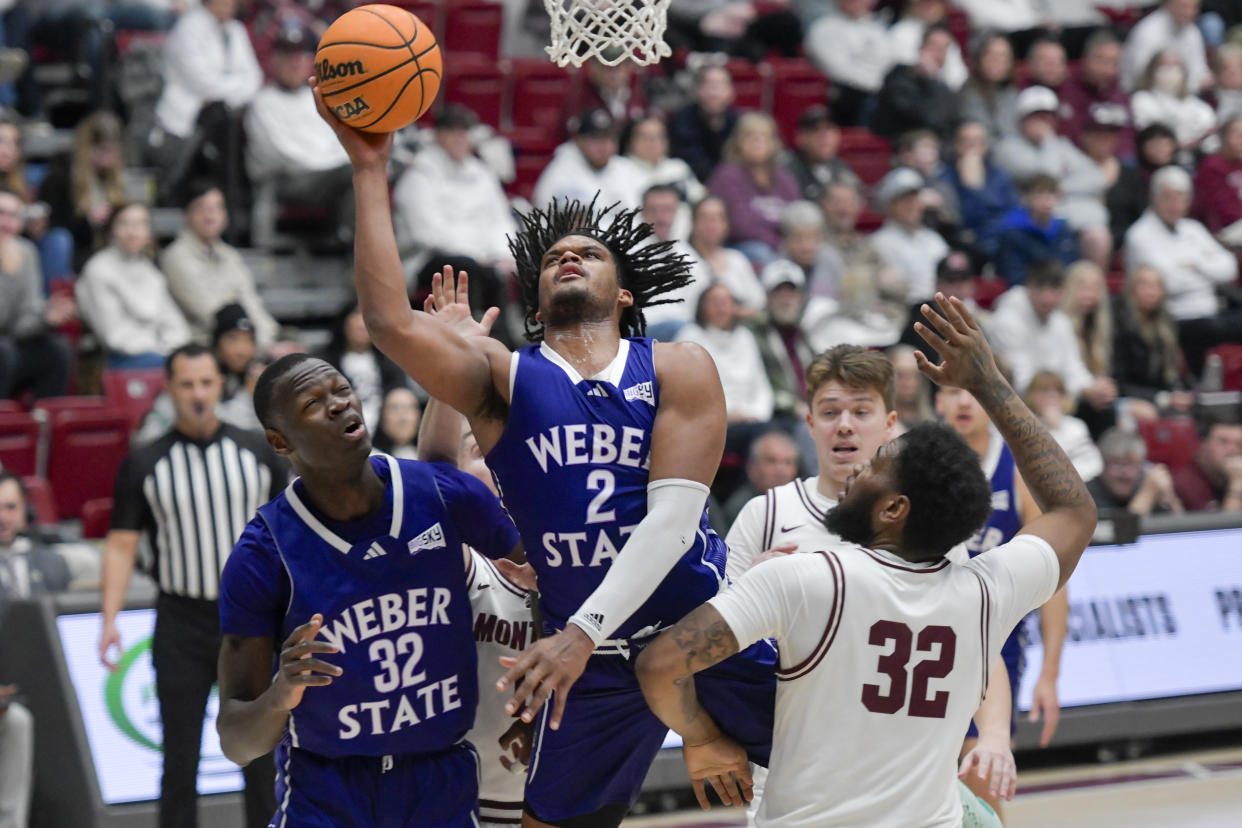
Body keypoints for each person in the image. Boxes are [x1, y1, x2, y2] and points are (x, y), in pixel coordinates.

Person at [316, 84, 778, 826]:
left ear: (624, 293)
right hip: (589, 658)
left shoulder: (678, 366)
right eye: (555, 256)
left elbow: (670, 523)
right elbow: (388, 324)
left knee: (843, 773)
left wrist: (581, 633)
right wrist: (370, 172)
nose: (569, 257)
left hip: (701, 625)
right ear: (535, 295)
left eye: (589, 253)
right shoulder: (505, 376)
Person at [634, 293, 1097, 827]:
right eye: (832, 413)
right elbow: (1074, 510)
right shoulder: (985, 590)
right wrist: (989, 384)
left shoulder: (804, 579)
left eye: (876, 462)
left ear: (895, 508)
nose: (858, 467)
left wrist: (702, 739)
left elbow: (660, 664)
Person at [214, 352, 522, 827]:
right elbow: (236, 742)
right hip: (327, 790)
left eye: (341, 389)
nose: (338, 405)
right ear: (280, 441)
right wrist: (281, 694)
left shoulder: (441, 494)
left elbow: (548, 568)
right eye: (313, 403)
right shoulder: (264, 552)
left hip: (439, 779)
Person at [97, 344, 284, 828]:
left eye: (205, 382)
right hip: (181, 622)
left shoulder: (256, 450)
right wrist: (110, 620)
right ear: (169, 389)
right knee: (179, 758)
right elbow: (120, 545)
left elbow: (290, 534)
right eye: (187, 384)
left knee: (260, 758)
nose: (198, 394)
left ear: (220, 384)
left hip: (251, 623)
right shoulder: (144, 462)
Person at [933, 369, 1070, 821]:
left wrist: (1049, 674)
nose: (964, 402)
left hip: (995, 648)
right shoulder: (919, 466)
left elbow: (1052, 581)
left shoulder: (1016, 471)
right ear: (939, 402)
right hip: (926, 640)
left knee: (979, 787)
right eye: (954, 391)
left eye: (973, 391)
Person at [393, 104, 516, 338]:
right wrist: (479, 255)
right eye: (453, 132)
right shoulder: (419, 174)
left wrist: (501, 254)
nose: (460, 138)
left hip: (480, 258)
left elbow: (500, 220)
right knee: (466, 268)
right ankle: (468, 341)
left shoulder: (482, 173)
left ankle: (502, 345)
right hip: (425, 260)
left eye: (464, 132)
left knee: (497, 275)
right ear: (438, 134)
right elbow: (428, 233)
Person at [1123, 165, 1242, 376]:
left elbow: (1230, 268)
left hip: (1212, 310)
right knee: (1209, 330)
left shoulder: (1193, 229)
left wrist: (1196, 265)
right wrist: (1207, 273)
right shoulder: (1139, 234)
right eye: (1168, 197)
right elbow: (1168, 283)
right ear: (1155, 197)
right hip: (1172, 315)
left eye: (1182, 198)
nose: (1175, 204)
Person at [0, 473, 70, 828]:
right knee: (16, 720)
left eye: (10, 507)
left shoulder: (52, 563)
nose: (3, 517)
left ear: (26, 511)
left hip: (47, 685)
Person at [244, 21, 352, 248]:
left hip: (325, 176)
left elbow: (338, 143)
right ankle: (350, 244)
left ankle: (348, 242)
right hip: (288, 180)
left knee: (369, 169)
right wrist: (334, 166)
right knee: (355, 170)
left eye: (301, 55)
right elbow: (281, 155)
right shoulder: (262, 102)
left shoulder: (319, 97)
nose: (295, 63)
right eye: (287, 55)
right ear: (273, 60)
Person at [150, 0, 261, 201]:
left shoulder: (236, 30)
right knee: (220, 116)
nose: (227, 5)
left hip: (228, 111)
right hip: (187, 118)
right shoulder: (189, 26)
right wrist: (236, 86)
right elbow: (201, 81)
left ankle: (236, 199)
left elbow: (254, 77)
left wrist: (231, 92)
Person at [988, 260, 1118, 428]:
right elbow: (1020, 381)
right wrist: (1063, 394)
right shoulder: (1007, 321)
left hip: (1056, 397)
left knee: (1105, 409)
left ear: (1063, 291)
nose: (1047, 297)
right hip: (1015, 404)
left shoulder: (1061, 321)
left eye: (1054, 289)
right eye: (1040, 288)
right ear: (1028, 287)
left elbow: (1074, 367)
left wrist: (1091, 388)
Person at [161, 181, 280, 352]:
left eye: (217, 207)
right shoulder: (175, 256)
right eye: (201, 208)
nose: (210, 215)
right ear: (186, 215)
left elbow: (250, 301)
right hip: (203, 349)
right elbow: (210, 314)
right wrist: (264, 346)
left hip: (245, 341)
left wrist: (271, 337)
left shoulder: (230, 254)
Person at [75, 203, 193, 369]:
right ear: (111, 230)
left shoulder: (150, 271)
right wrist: (161, 351)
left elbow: (173, 322)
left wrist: (174, 348)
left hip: (161, 353)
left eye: (140, 224)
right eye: (124, 223)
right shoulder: (98, 269)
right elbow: (114, 336)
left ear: (149, 233)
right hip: (121, 359)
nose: (133, 231)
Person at [134, 303, 265, 445]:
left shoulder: (254, 376)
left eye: (249, 340)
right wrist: (246, 396)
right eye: (233, 339)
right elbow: (217, 431)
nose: (241, 349)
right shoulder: (195, 372)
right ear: (217, 342)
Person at [993, 87, 1111, 236]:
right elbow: (1046, 178)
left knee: (1098, 228)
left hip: (1064, 208)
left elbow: (1097, 177)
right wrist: (1047, 140)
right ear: (1022, 119)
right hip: (1028, 218)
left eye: (1049, 116)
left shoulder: (1060, 144)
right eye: (1037, 116)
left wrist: (1064, 187)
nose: (1044, 122)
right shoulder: (1008, 148)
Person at [0, 186, 73, 400]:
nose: (7, 223)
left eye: (13, 215)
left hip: (9, 345)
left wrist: (45, 318)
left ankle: (43, 425)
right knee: (4, 354)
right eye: (1, 214)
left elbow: (22, 323)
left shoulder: (26, 252)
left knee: (59, 351)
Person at [706, 112, 800, 266]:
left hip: (784, 246)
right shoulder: (727, 175)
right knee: (763, 253)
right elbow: (741, 227)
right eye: (750, 136)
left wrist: (797, 243)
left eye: (764, 137)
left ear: (773, 143)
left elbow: (799, 215)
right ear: (738, 142)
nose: (757, 142)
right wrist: (781, 245)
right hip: (741, 248)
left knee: (823, 255)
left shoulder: (784, 178)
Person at [37, 110, 126, 269]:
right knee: (60, 239)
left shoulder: (113, 180)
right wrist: (87, 220)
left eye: (114, 150)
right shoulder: (61, 174)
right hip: (75, 248)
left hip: (102, 251)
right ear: (87, 147)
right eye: (104, 150)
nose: (110, 157)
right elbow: (51, 222)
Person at [677, 283, 774, 425]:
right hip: (711, 422)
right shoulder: (690, 337)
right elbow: (688, 390)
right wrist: (729, 414)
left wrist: (757, 414)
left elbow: (761, 385)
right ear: (702, 307)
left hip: (753, 419)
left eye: (726, 302)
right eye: (714, 302)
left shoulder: (745, 336)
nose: (721, 307)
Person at [1111, 266, 1194, 412]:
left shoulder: (1166, 324)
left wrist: (1190, 393)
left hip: (1160, 396)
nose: (1151, 291)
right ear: (1131, 289)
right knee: (1148, 411)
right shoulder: (1118, 323)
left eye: (1156, 286)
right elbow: (1119, 383)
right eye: (1145, 285)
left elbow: (1176, 374)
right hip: (1126, 397)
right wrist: (1162, 398)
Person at [318, 303, 411, 431]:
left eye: (366, 317)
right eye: (356, 315)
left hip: (383, 433)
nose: (361, 323)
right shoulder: (323, 362)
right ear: (344, 322)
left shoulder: (390, 361)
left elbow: (399, 393)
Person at [939, 120, 1020, 265]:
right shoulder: (945, 179)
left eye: (977, 141)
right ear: (956, 145)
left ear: (985, 146)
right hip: (965, 244)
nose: (972, 146)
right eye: (966, 141)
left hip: (1001, 240)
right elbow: (960, 221)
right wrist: (971, 187)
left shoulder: (1000, 176)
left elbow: (1014, 212)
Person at [803, 0, 895, 126]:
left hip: (878, 90)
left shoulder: (878, 30)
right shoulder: (823, 28)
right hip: (843, 95)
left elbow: (888, 61)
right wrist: (876, 84)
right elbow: (837, 70)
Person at [533, 108, 643, 212]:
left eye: (608, 138)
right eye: (595, 139)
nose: (603, 146)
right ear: (579, 141)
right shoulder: (560, 174)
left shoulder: (626, 168)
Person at [870, 166, 950, 304]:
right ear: (890, 205)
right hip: (905, 313)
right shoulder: (878, 242)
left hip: (941, 309)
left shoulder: (934, 239)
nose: (912, 205)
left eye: (915, 199)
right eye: (904, 200)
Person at [871, 24, 961, 142]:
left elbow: (949, 123)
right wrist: (932, 80)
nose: (938, 54)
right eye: (933, 46)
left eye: (943, 49)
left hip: (935, 147)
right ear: (921, 49)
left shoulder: (942, 86)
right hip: (900, 143)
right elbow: (928, 118)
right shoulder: (898, 77)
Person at [621, 114, 705, 240]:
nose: (652, 142)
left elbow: (701, 200)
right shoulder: (619, 168)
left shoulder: (677, 167)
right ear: (630, 141)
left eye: (658, 137)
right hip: (640, 243)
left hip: (685, 244)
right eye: (645, 137)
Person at [995, 174, 1080, 286]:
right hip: (1028, 291)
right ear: (1027, 198)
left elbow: (1072, 267)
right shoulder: (1013, 232)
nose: (1046, 200)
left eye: (1051, 193)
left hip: (1061, 289)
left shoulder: (1064, 230)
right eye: (1040, 194)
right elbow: (1014, 275)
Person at [1059, 29, 1135, 157]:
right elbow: (1071, 140)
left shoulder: (1120, 94)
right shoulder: (1068, 92)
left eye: (1114, 63)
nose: (1108, 70)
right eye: (1102, 61)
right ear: (1086, 59)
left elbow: (1130, 140)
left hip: (1123, 165)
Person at [686, 195, 764, 312]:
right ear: (693, 223)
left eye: (719, 218)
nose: (712, 223)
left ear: (726, 225)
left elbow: (759, 301)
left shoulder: (737, 259)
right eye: (705, 217)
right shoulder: (682, 259)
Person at [1130, 50, 1216, 156]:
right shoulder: (1141, 99)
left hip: (1196, 155)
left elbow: (1208, 127)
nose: (1171, 70)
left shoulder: (1195, 104)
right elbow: (1150, 133)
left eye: (1176, 65)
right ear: (1152, 70)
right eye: (1165, 66)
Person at [1023, 370, 1104, 481]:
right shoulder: (1024, 427)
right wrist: (1052, 427)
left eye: (1059, 390)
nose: (1052, 395)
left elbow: (1094, 464)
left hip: (1078, 486)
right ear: (1032, 396)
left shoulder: (1077, 426)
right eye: (1044, 390)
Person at [668, 63, 740, 183]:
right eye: (709, 85)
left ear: (731, 92)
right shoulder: (682, 121)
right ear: (697, 90)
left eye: (721, 85)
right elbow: (694, 165)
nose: (714, 92)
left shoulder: (739, 121)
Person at [1087, 428, 1183, 516]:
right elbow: (1123, 532)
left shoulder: (1145, 484)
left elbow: (1179, 526)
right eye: (1117, 464)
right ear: (1103, 464)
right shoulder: (1085, 496)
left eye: (1131, 464)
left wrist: (1169, 496)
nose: (1124, 472)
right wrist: (1147, 494)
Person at [1121, 0, 1209, 94]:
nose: (1189, 12)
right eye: (1184, 6)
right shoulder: (1147, 31)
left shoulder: (1193, 32)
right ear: (1169, 4)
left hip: (1182, 94)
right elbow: (1142, 75)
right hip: (1142, 94)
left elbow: (1201, 72)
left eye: (1193, 7)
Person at [720, 430, 799, 530]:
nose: (781, 470)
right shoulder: (739, 509)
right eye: (771, 461)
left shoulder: (802, 503)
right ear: (752, 468)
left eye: (788, 462)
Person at [889, 0, 968, 91]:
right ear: (916, 5)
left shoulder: (945, 36)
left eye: (935, 3)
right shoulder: (902, 31)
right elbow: (903, 68)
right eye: (926, 3)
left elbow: (959, 77)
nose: (930, 7)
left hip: (939, 94)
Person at [782, 105, 853, 202]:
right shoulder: (786, 166)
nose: (824, 135)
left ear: (838, 136)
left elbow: (857, 197)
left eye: (829, 128)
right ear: (800, 138)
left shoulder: (840, 166)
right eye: (815, 129)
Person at [958, 32, 1019, 143]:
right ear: (979, 59)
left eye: (1003, 56)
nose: (996, 61)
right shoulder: (968, 94)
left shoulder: (1012, 93)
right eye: (991, 55)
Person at [1173, 414, 1242, 512]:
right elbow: (1221, 526)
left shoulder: (1227, 474)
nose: (1233, 450)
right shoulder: (1185, 482)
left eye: (1240, 444)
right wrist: (1237, 482)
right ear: (1203, 444)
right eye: (1223, 442)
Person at [1193, 116, 1242, 239]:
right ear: (1222, 137)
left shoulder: (1239, 163)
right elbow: (1223, 210)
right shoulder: (1211, 167)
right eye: (1237, 134)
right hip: (1225, 230)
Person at [372, 387, 421, 461]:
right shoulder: (372, 458)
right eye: (395, 408)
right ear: (383, 416)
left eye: (409, 408)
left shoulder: (430, 459)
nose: (403, 418)